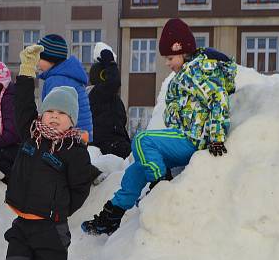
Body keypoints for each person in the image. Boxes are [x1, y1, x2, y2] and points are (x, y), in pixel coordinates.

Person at [82, 18, 237, 236]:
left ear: (184, 52)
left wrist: (217, 137)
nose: (167, 63)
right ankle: (113, 214)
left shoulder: (197, 73)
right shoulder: (181, 78)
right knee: (135, 170)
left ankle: (160, 184)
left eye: (170, 57)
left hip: (194, 139)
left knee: (142, 140)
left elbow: (218, 98)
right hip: (181, 138)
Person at [0, 44, 99, 260]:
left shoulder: (74, 151)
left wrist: (62, 209)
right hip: (22, 227)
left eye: (62, 114)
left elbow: (81, 185)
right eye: (51, 112)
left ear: (72, 120)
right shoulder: (32, 134)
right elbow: (23, 103)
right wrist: (27, 68)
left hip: (51, 233)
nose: (54, 119)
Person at [36, 34, 93, 141]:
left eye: (39, 58)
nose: (36, 62)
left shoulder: (57, 80)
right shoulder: (67, 75)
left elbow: (55, 115)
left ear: (50, 58)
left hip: (68, 137)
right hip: (81, 134)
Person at [87, 43, 131, 159]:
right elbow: (114, 82)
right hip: (110, 145)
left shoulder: (109, 97)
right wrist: (110, 64)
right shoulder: (98, 94)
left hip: (115, 143)